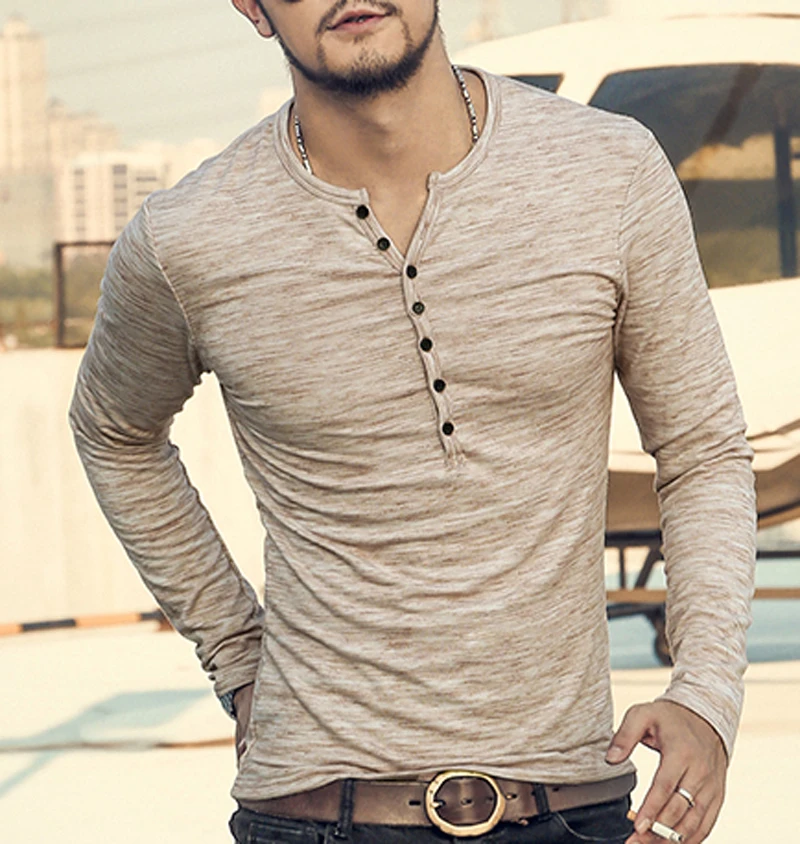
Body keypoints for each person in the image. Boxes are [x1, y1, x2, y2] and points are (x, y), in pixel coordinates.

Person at [69, 2, 757, 842]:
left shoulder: (608, 172)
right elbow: (114, 433)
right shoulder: (188, 238)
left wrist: (706, 693)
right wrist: (239, 654)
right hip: (317, 813)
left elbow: (702, 449)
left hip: (573, 805)